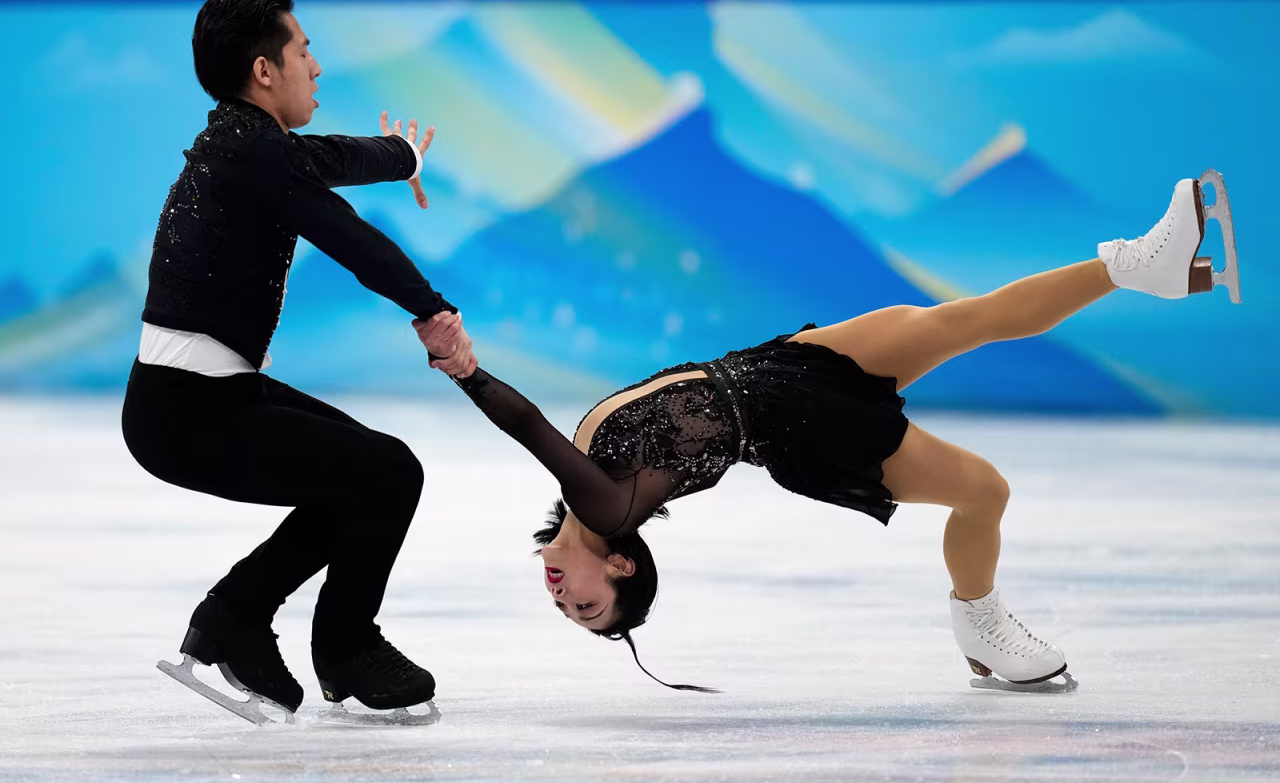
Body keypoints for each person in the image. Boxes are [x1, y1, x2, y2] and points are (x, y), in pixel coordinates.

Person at [414, 176, 1237, 692]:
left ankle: (1141, 264)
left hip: (774, 368)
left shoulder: (586, 494)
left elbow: (548, 431)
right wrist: (465, 368)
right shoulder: (608, 502)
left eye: (570, 608)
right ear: (621, 563)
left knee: (961, 319)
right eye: (588, 606)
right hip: (802, 425)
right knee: (984, 489)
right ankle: (978, 619)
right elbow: (524, 422)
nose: (563, 598)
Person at [121, 0, 475, 723]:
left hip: (197, 398)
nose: (317, 67)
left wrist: (402, 154)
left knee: (365, 472)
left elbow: (327, 157)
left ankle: (234, 618)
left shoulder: (243, 142)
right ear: (263, 71)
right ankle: (344, 648)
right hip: (187, 411)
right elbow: (350, 238)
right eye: (304, 51)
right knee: (384, 473)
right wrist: (433, 314)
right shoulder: (253, 153)